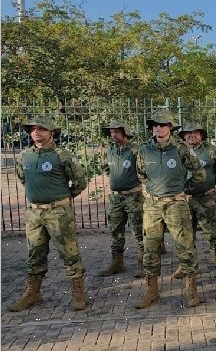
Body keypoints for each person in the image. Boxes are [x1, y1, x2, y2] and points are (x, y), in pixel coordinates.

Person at [10, 115, 88, 311]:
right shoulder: (24, 156)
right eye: (33, 129)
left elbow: (79, 182)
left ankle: (78, 294)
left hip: (59, 213)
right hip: (34, 213)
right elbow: (23, 179)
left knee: (69, 253)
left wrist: (63, 198)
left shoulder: (62, 155)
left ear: (52, 132)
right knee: (35, 253)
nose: (36, 132)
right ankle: (33, 292)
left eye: (41, 129)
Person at [135, 109, 207, 308]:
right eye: (155, 125)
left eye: (163, 125)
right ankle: (152, 291)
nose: (158, 128)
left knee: (185, 246)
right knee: (150, 249)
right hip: (152, 206)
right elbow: (142, 175)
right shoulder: (144, 150)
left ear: (170, 128)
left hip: (176, 205)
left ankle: (192, 290)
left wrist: (184, 190)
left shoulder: (182, 148)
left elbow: (199, 173)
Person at [170, 122, 216, 279]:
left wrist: (210, 182)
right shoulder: (178, 151)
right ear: (183, 136)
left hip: (206, 198)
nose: (191, 136)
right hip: (184, 199)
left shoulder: (210, 151)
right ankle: (186, 265)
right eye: (188, 134)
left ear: (201, 135)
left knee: (212, 232)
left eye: (195, 133)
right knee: (185, 234)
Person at [98, 119, 145, 279]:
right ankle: (117, 262)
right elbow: (105, 167)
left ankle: (143, 263)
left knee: (138, 230)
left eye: (116, 131)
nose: (113, 135)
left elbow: (143, 170)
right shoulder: (109, 150)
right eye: (111, 132)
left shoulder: (135, 150)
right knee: (115, 231)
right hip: (115, 199)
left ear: (125, 132)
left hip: (134, 197)